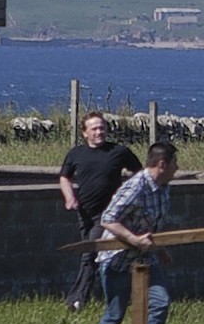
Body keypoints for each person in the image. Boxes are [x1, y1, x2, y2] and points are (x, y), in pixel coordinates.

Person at [89, 141, 179, 324]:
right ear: (162, 164)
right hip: (118, 258)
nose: (176, 169)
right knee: (116, 312)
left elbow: (150, 224)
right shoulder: (135, 187)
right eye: (174, 164)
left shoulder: (164, 187)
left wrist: (160, 248)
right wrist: (134, 239)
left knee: (160, 302)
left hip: (146, 258)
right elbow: (108, 219)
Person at [58, 111, 142, 311]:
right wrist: (69, 197)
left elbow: (140, 174)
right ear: (85, 133)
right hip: (85, 213)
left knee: (90, 253)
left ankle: (76, 300)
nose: (99, 132)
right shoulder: (76, 153)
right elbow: (64, 178)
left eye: (102, 128)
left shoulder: (119, 151)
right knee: (92, 256)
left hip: (107, 216)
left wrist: (126, 196)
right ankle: (116, 298)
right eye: (94, 129)